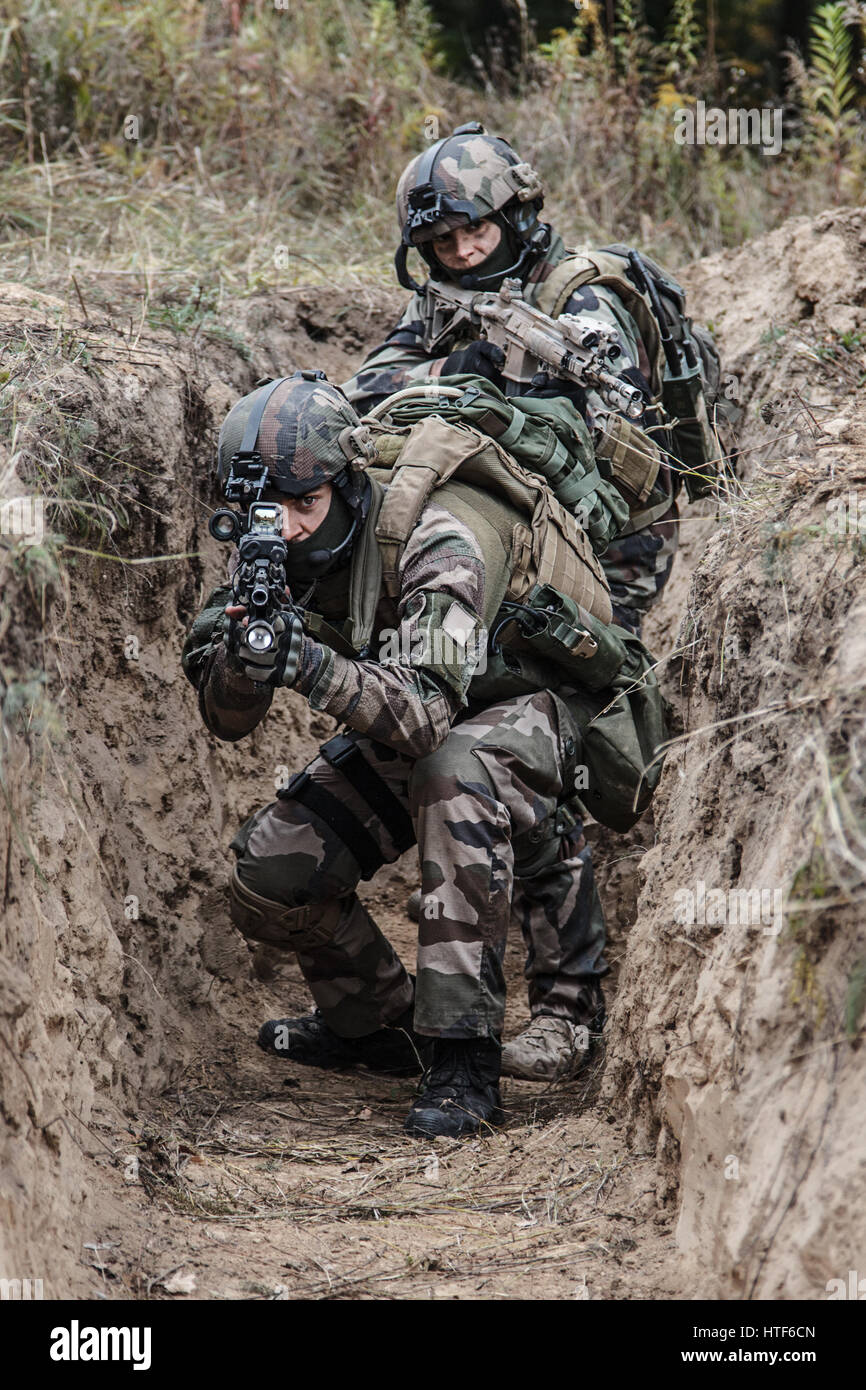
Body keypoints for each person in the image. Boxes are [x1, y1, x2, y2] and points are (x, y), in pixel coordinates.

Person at [181, 370, 646, 1137]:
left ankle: (464, 1054)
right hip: (421, 714)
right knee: (275, 873)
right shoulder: (268, 553)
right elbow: (228, 719)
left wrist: (310, 665)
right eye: (267, 510)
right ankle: (380, 1031)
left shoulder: (437, 533)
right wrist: (245, 659)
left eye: (307, 504)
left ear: (348, 484)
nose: (288, 526)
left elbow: (427, 717)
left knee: (454, 772)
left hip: (539, 707)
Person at [341, 124, 681, 1081]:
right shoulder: (453, 309)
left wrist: (506, 404)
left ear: (516, 216)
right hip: (498, 559)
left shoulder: (583, 303)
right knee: (471, 735)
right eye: (442, 244)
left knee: (540, 768)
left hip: (601, 566)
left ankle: (573, 1005)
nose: (460, 254)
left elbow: (617, 457)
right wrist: (463, 380)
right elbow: (375, 401)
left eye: (474, 235)